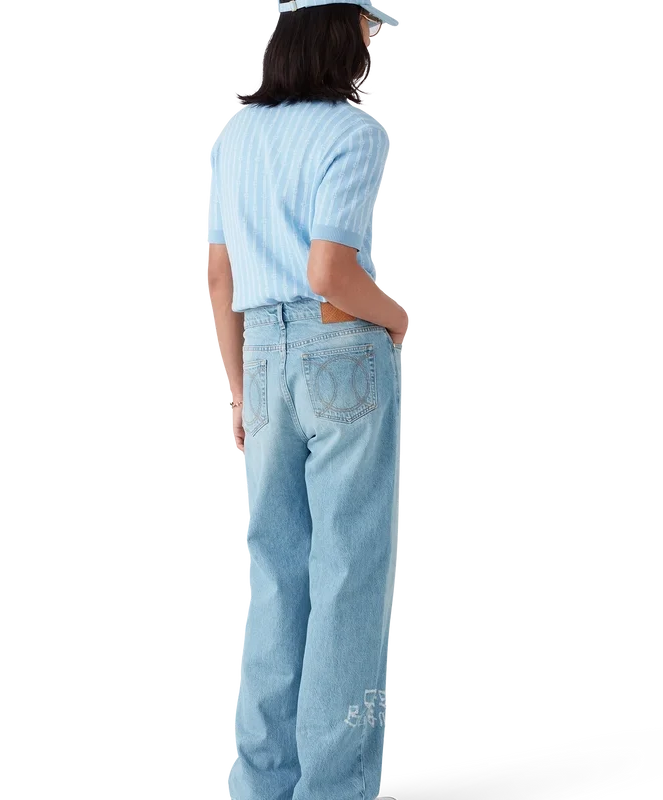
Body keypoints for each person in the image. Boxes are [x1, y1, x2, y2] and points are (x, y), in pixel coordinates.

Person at [207, 3, 405, 798]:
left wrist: (236, 392)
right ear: (338, 36)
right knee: (348, 575)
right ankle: (331, 791)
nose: (372, 43)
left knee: (275, 577)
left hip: (260, 356)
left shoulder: (235, 132)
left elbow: (219, 274)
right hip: (339, 349)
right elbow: (330, 273)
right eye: (368, 29)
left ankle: (261, 786)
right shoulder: (353, 130)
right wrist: (399, 319)